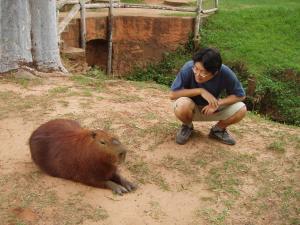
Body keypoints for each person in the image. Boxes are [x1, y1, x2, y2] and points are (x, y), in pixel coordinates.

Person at [170, 48, 247, 145]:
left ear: (215, 72)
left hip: (212, 110)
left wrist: (217, 103)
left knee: (241, 109)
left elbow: (240, 96)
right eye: (196, 69)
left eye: (203, 72)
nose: (197, 74)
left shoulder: (225, 72)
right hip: (191, 108)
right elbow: (173, 94)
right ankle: (187, 126)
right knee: (182, 105)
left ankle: (218, 130)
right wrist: (200, 91)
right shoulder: (188, 67)